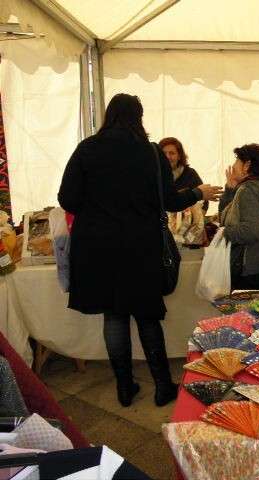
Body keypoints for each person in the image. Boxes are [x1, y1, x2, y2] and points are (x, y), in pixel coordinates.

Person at [58, 94, 222, 408]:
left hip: (97, 249)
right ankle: (162, 387)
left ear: (109, 115)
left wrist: (97, 210)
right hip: (140, 247)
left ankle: (124, 387)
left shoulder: (87, 149)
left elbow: (68, 199)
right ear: (138, 117)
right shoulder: (150, 153)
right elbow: (170, 201)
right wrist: (197, 193)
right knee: (147, 316)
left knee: (114, 316)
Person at [219, 143, 259, 291]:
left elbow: (251, 231)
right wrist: (230, 190)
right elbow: (226, 216)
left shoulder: (247, 190)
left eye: (237, 160)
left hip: (247, 266)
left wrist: (224, 232)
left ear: (247, 165)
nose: (233, 165)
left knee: (244, 306)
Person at [159, 137, 208, 213]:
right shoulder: (155, 176)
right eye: (164, 153)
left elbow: (204, 201)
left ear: (179, 156)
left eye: (172, 153)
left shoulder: (190, 174)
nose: (167, 157)